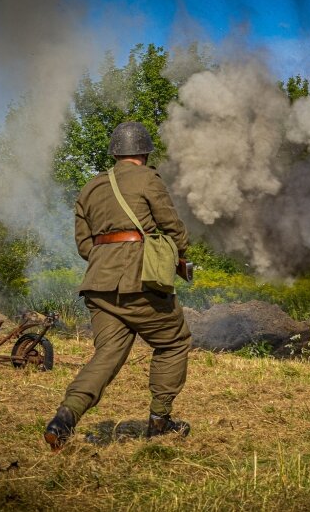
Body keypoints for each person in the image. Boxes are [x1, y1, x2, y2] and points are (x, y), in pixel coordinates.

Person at [44, 122, 193, 451]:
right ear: (143, 152)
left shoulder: (90, 188)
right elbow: (171, 226)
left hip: (98, 285)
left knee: (107, 355)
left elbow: (85, 246)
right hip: (142, 282)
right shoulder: (149, 179)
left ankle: (64, 418)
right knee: (174, 342)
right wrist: (179, 252)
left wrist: (107, 259)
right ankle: (159, 423)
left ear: (115, 153)